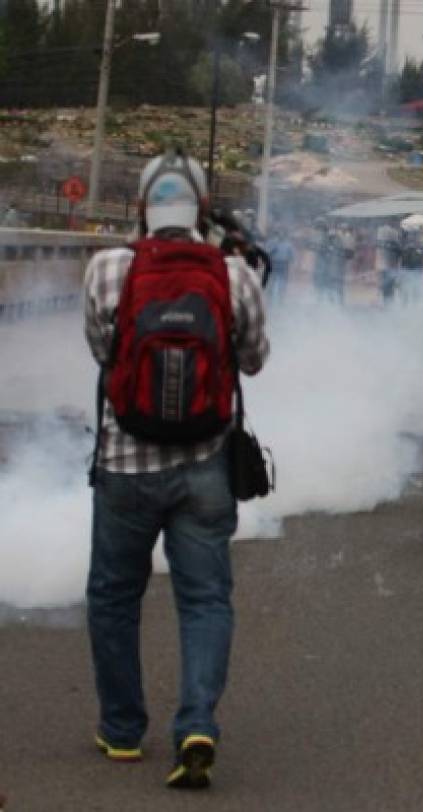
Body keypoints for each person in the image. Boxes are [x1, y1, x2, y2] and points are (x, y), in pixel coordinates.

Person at [82, 152, 269, 789]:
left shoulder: (109, 267)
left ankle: (121, 729)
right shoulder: (234, 272)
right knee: (205, 600)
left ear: (141, 207)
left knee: (113, 596)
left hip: (123, 462)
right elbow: (254, 360)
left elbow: (104, 353)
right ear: (201, 208)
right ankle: (195, 723)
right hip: (204, 464)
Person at [264, 228, 295, 305]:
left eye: (283, 234)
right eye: (280, 234)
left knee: (283, 283)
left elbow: (291, 257)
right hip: (274, 263)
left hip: (284, 264)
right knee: (272, 281)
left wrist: (290, 261)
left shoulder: (288, 245)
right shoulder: (272, 242)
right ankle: (270, 300)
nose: (281, 235)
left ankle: (280, 300)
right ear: (277, 234)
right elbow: (267, 252)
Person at [376, 220, 401, 303]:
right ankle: (388, 302)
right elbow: (399, 254)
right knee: (388, 287)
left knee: (387, 286)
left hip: (386, 267)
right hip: (389, 267)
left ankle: (387, 302)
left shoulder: (381, 242)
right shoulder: (394, 244)